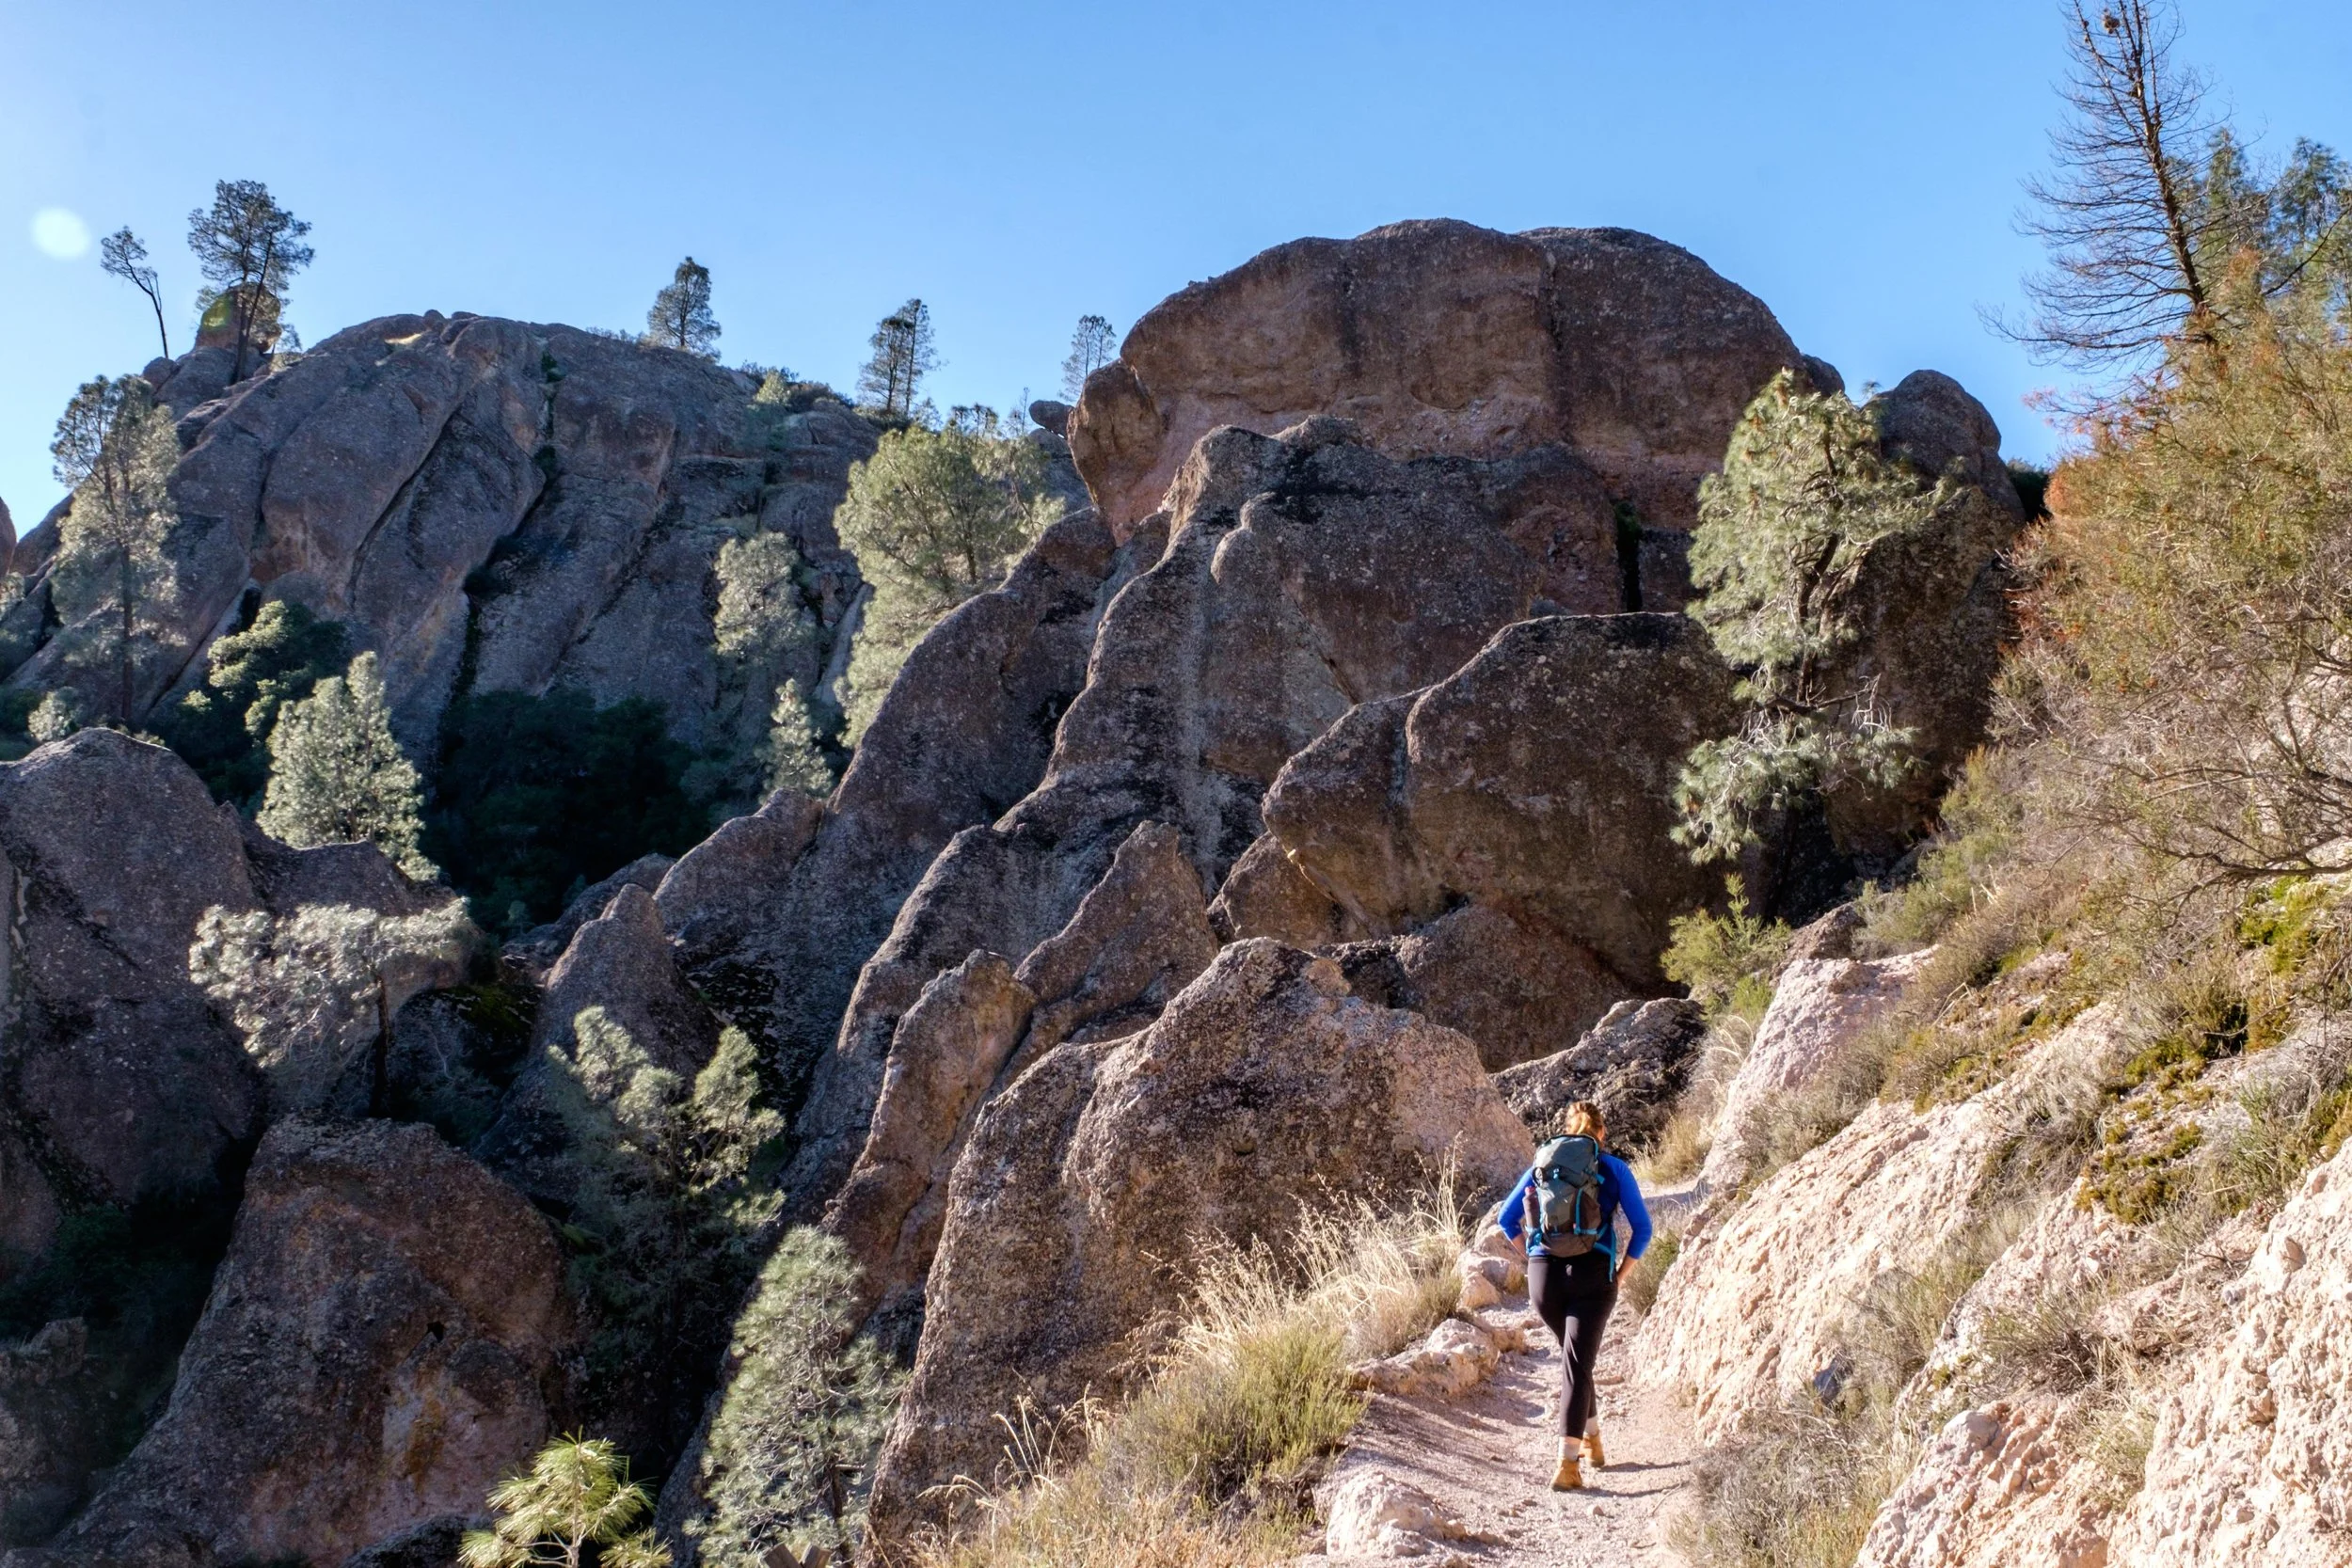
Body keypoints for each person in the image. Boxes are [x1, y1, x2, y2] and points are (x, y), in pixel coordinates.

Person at [1498, 1100, 1652, 1491]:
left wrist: (1532, 1257)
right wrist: (1620, 1275)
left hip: (1543, 1278)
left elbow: (1506, 1219)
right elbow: (1643, 1229)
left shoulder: (1545, 1164)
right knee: (1578, 1364)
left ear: (1567, 1130)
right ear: (1601, 1133)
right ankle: (1567, 1465)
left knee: (1575, 1361)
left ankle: (1593, 1442)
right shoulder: (1613, 1168)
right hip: (1593, 1275)